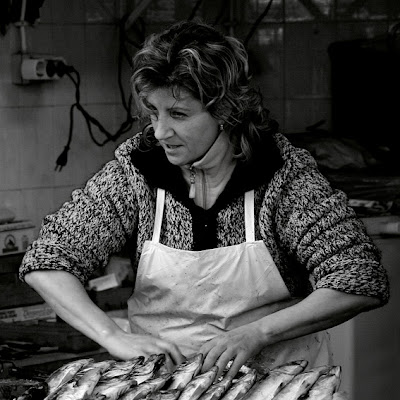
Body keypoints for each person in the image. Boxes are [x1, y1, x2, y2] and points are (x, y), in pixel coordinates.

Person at [20, 20, 389, 379]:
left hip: (280, 384)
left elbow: (358, 278)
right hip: (164, 386)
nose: (161, 131)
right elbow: (48, 260)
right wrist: (112, 335)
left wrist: (259, 333)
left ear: (225, 111)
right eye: (153, 111)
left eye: (178, 114)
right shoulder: (136, 171)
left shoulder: (282, 175)